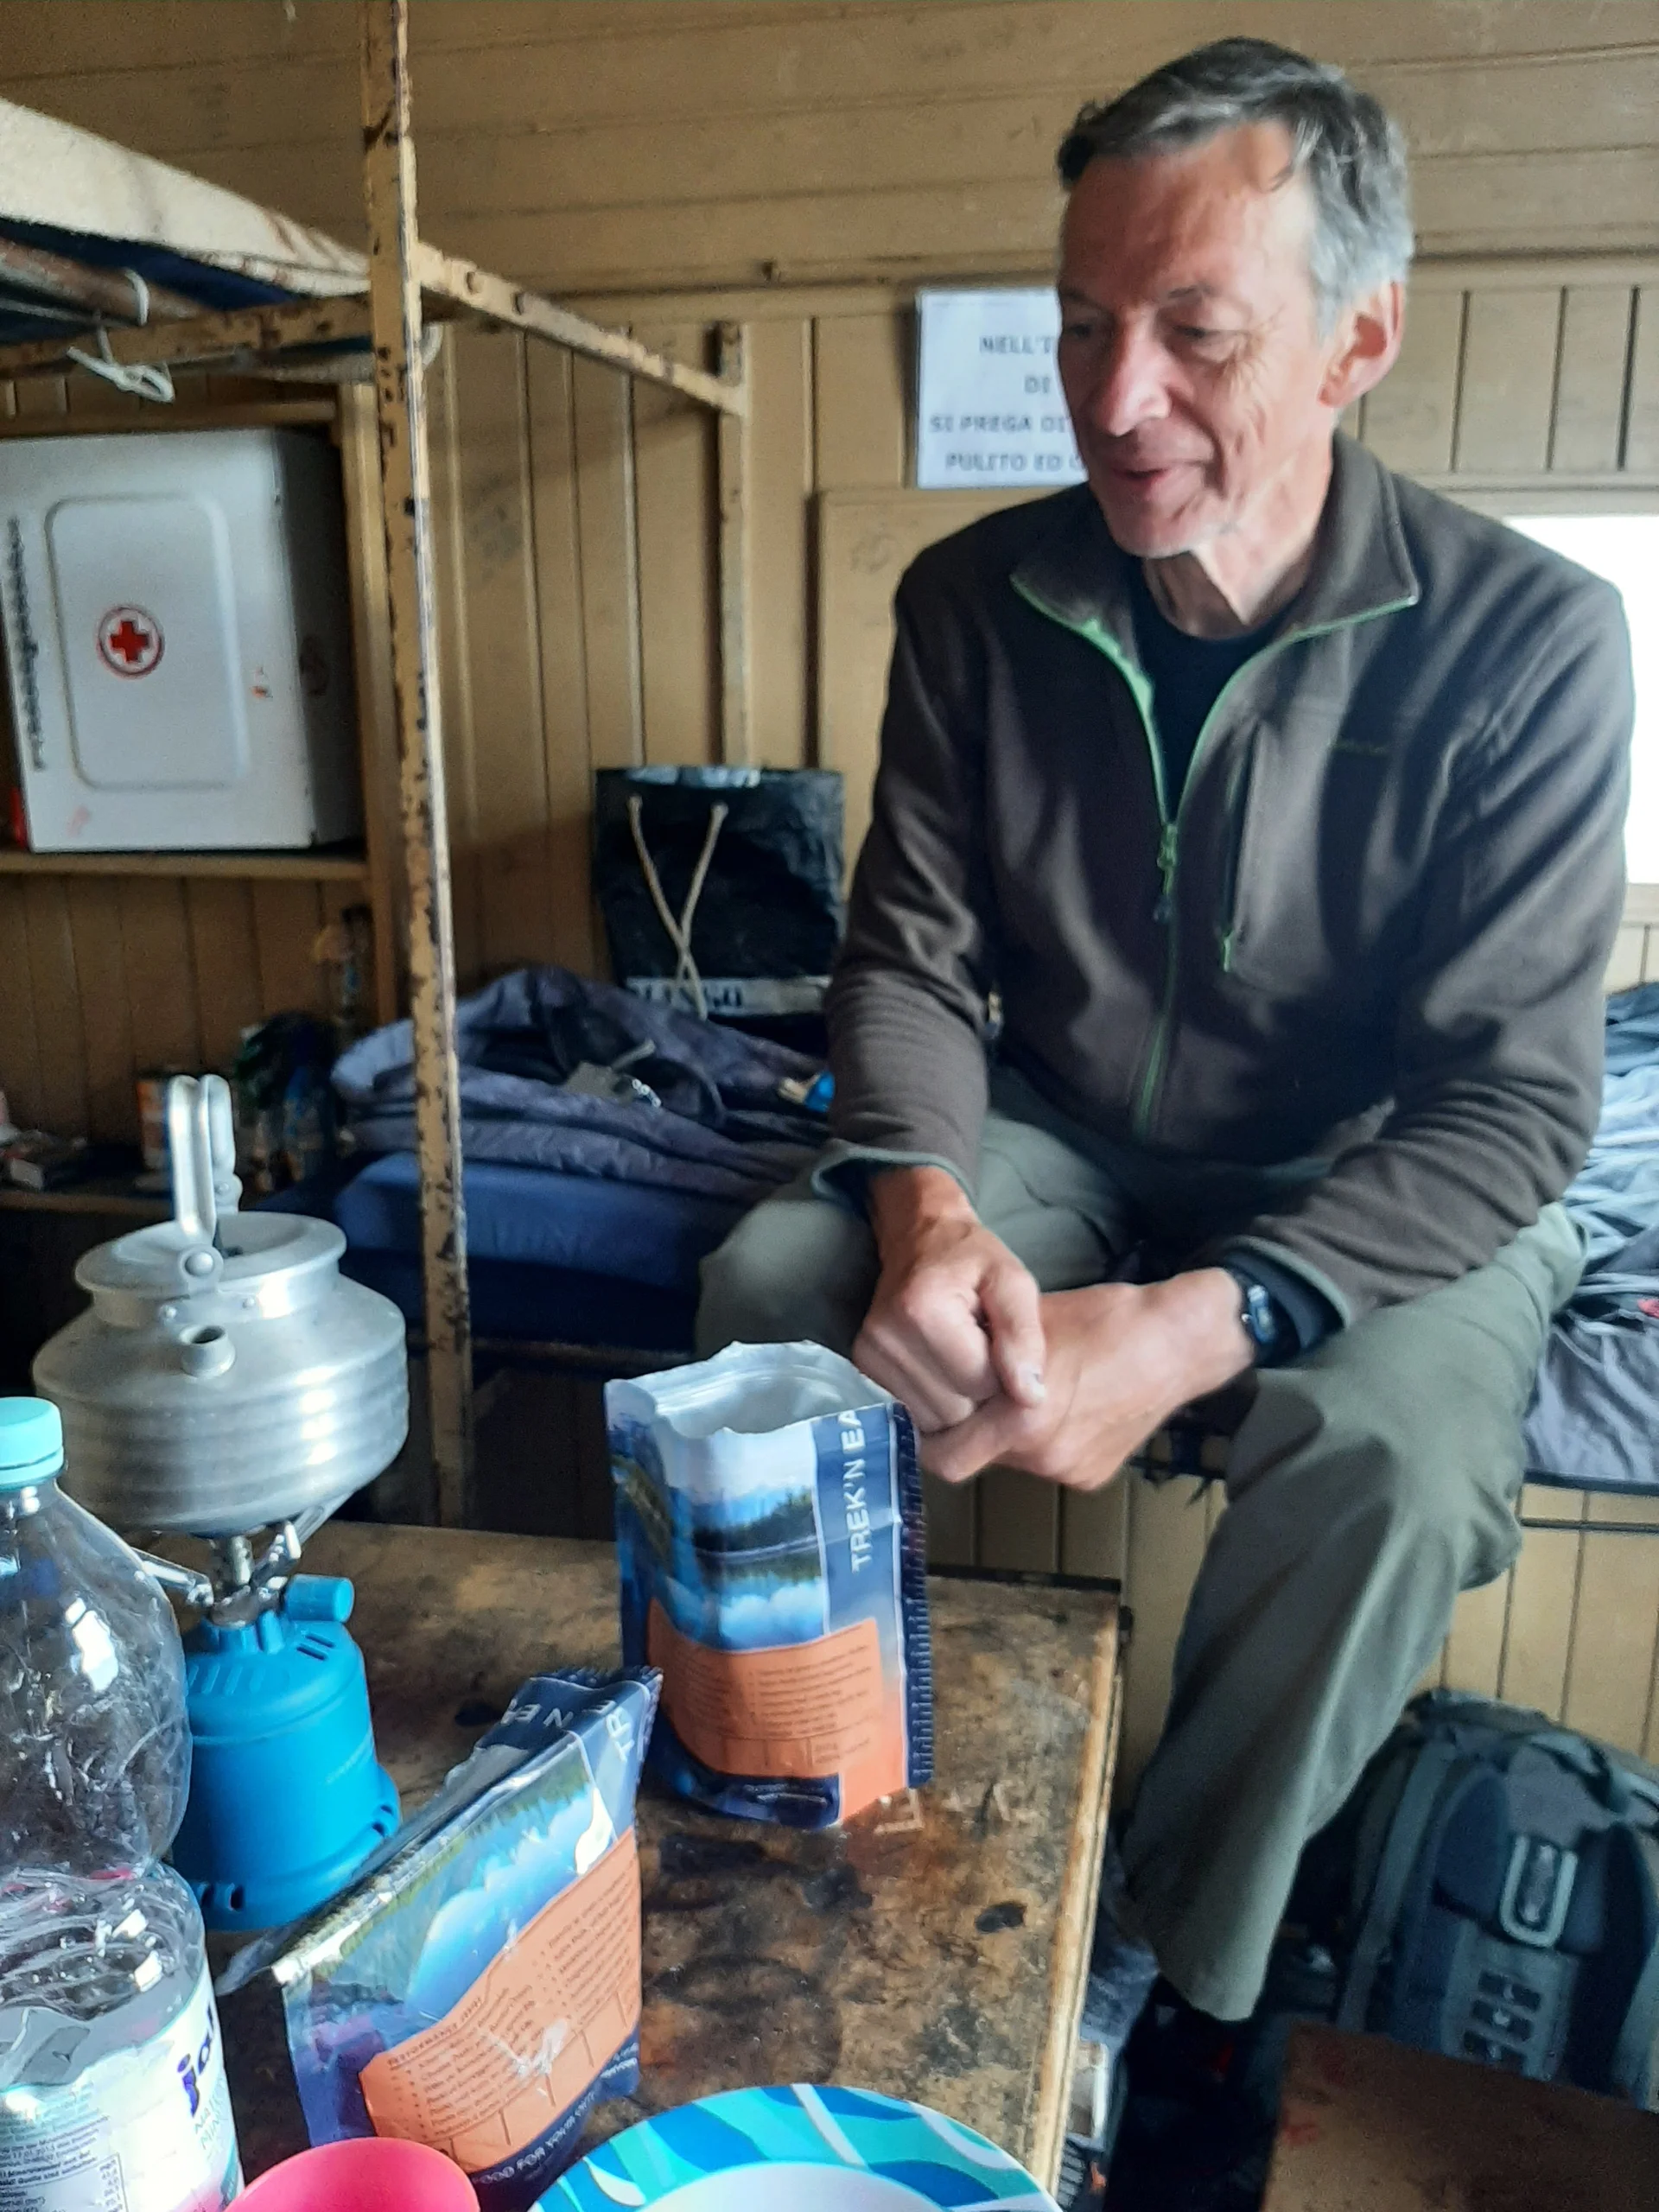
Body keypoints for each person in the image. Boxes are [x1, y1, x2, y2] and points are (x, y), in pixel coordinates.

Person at [696, 35, 1634, 2055]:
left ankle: (1170, 1965)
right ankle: (784, 1800)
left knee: (1387, 1451)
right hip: (1062, 1125)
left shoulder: (1538, 642)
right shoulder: (974, 599)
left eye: (1195, 333)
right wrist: (929, 1207)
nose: (1117, 403)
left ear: (1354, 339)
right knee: (778, 1287)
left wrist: (1201, 1325)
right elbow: (913, 963)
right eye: (1083, 326)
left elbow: (1520, 1097)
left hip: (1381, 1179)